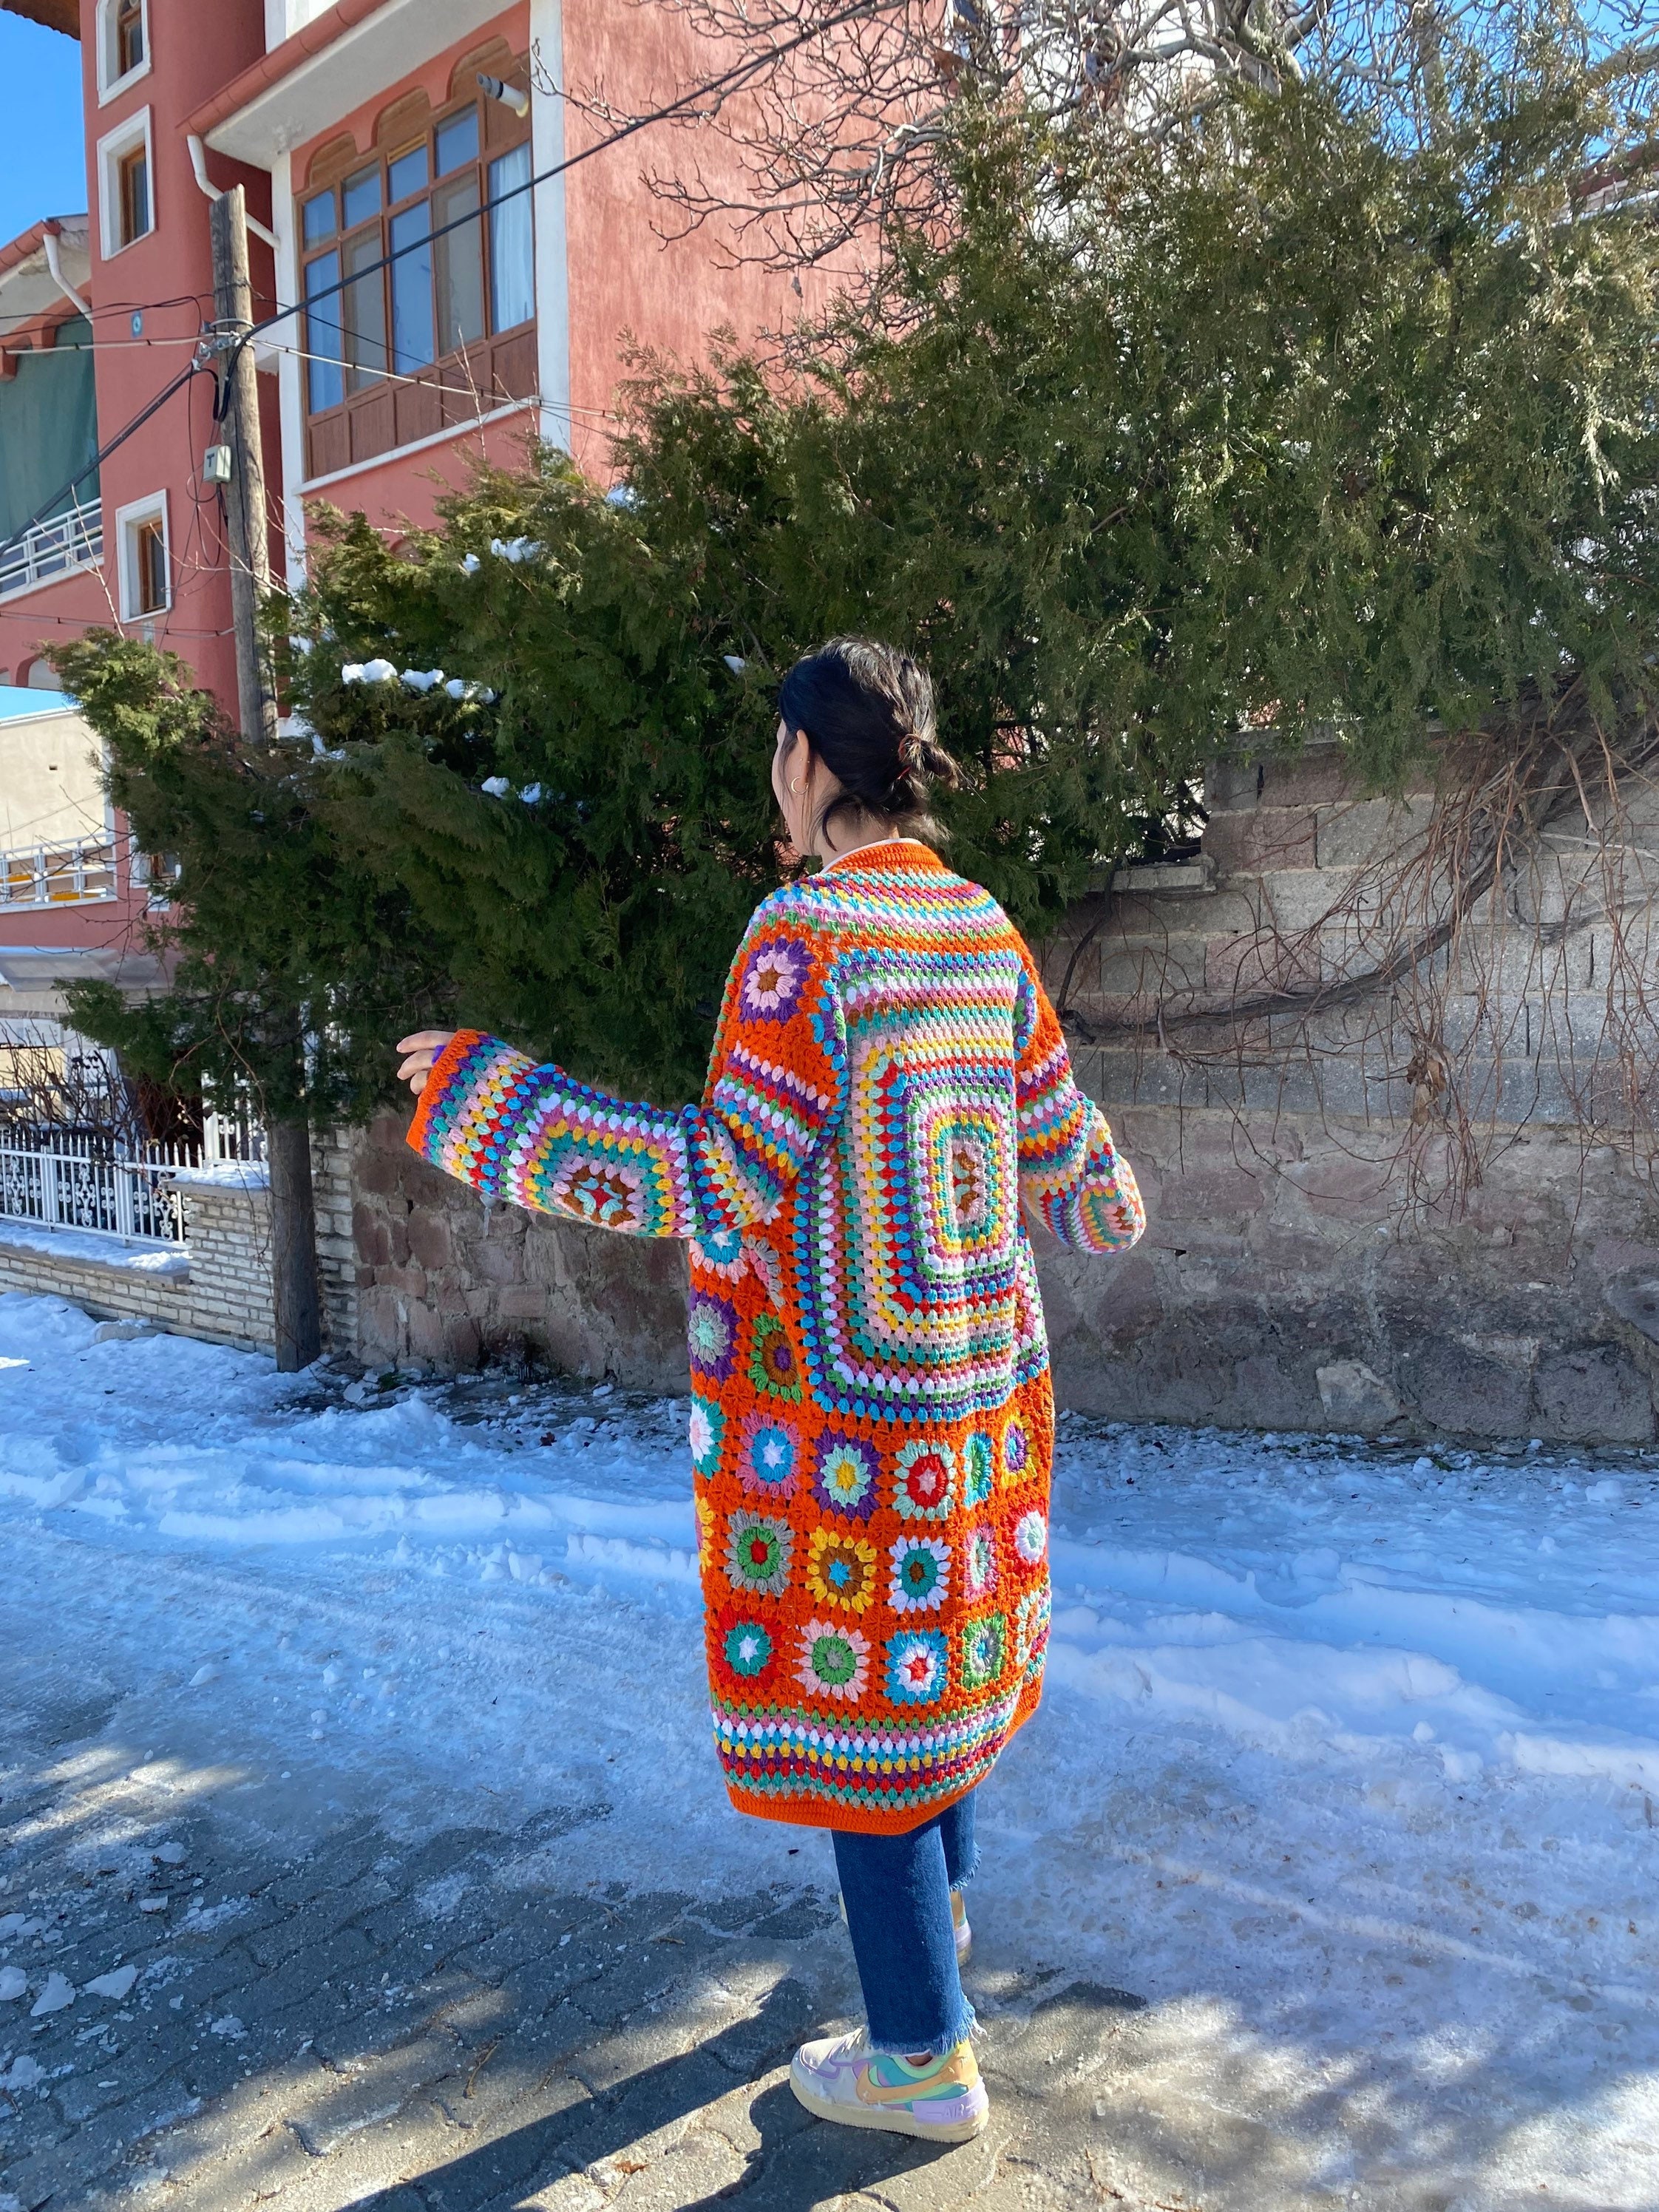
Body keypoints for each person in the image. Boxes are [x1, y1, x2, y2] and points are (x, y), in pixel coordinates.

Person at [397, 637, 1144, 2142]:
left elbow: (711, 1176)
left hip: (847, 1420)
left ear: (809, 760)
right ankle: (942, 1950)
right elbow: (1093, 1189)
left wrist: (485, 1096)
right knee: (939, 1686)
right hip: (979, 1389)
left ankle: (924, 2057)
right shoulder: (980, 929)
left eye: (773, 756)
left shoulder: (803, 942)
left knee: (870, 1724)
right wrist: (1017, 1178)